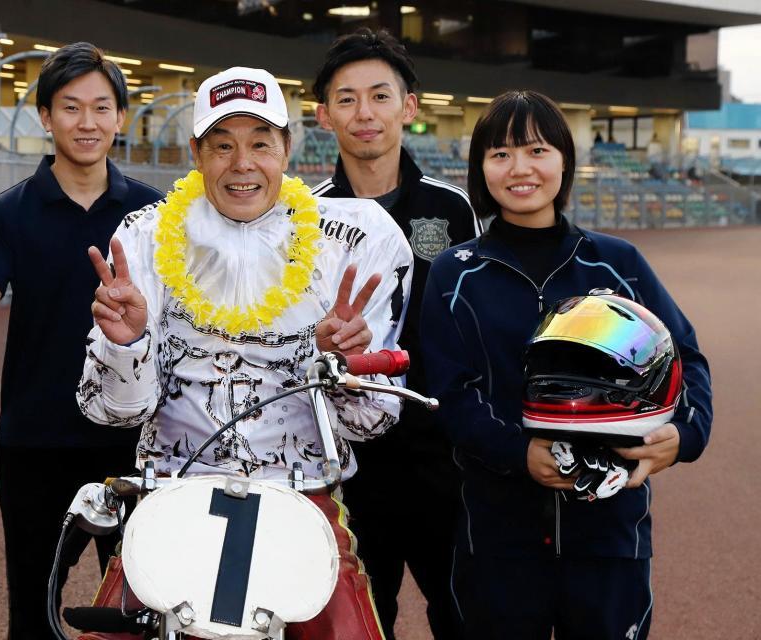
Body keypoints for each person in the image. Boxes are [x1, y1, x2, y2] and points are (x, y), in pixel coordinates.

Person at [78, 66, 413, 640]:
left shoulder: (355, 241)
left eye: (261, 143)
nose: (242, 164)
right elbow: (112, 412)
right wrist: (126, 342)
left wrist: (343, 370)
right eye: (222, 146)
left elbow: (371, 424)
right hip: (170, 497)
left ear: (287, 147)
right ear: (196, 153)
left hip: (304, 500)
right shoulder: (142, 238)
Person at [420, 90, 712, 639]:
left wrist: (686, 435)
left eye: (536, 150)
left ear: (564, 161)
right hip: (498, 537)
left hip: (610, 535)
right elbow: (452, 394)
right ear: (481, 168)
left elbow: (685, 355)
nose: (519, 168)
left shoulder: (617, 261)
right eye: (500, 154)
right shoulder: (454, 272)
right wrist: (518, 452)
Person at [0, 42, 163, 640]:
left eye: (101, 107)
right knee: (32, 613)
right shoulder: (9, 210)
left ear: (119, 118)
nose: (87, 122)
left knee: (143, 613)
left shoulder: (152, 214)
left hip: (134, 443)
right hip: (34, 442)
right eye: (70, 107)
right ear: (45, 116)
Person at [310, 27, 481, 639]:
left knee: (464, 616)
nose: (365, 113)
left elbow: (473, 327)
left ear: (408, 107)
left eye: (380, 95)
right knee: (356, 622)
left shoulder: (453, 209)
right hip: (349, 464)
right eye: (347, 98)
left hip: (442, 457)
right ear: (324, 115)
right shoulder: (306, 216)